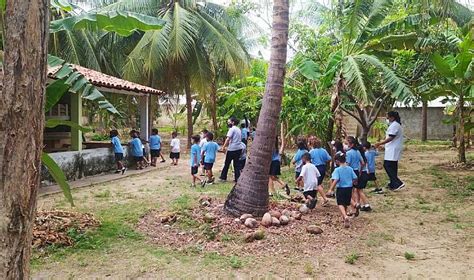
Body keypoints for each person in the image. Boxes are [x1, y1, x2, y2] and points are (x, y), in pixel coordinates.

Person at [375, 111, 405, 191]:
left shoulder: (395, 125)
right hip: (393, 148)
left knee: (387, 165)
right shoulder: (395, 125)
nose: (387, 118)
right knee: (393, 166)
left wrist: (380, 143)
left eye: (388, 116)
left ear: (392, 117)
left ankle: (398, 182)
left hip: (393, 148)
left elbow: (391, 137)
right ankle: (393, 183)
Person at [330, 153, 358, 228]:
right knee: (346, 202)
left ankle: (345, 216)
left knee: (340, 204)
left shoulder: (337, 170)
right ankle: (345, 216)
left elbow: (336, 180)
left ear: (337, 161)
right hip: (349, 188)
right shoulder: (350, 168)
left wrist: (331, 189)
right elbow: (355, 178)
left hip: (341, 188)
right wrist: (351, 183)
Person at [219, 117, 242, 182]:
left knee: (227, 163)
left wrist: (223, 147)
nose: (228, 123)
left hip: (232, 149)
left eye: (229, 122)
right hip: (239, 148)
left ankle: (223, 177)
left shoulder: (232, 129)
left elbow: (228, 139)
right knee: (236, 164)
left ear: (233, 122)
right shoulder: (238, 129)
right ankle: (237, 178)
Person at [345, 136, 365, 212]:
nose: (346, 145)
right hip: (356, 171)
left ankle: (353, 208)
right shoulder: (357, 152)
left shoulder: (348, 153)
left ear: (351, 144)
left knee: (350, 190)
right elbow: (362, 163)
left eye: (347, 143)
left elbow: (347, 164)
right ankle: (357, 203)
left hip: (350, 172)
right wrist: (360, 171)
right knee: (356, 189)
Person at [309, 137, 330, 206]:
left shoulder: (312, 151)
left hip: (315, 168)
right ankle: (315, 197)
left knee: (317, 184)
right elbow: (329, 159)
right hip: (323, 168)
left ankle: (325, 198)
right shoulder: (324, 151)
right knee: (318, 183)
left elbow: (307, 159)